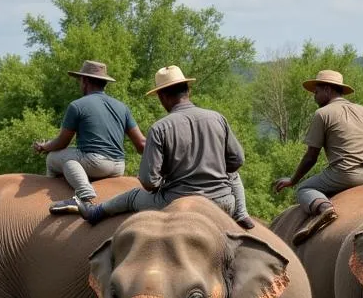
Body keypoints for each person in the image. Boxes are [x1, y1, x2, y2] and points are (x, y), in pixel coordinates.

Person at [50, 64, 256, 228]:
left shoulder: (161, 127)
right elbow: (237, 160)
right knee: (234, 176)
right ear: (188, 89)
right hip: (223, 201)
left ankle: (93, 212)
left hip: (178, 202)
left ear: (162, 96)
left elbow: (148, 182)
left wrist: (165, 180)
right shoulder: (217, 118)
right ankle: (240, 214)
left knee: (132, 196)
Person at [273, 69, 363, 244]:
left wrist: (293, 180)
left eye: (316, 92)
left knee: (304, 189)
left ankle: (324, 209)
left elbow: (311, 157)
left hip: (344, 174)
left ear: (328, 90)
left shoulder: (323, 114)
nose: (314, 97)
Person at [37, 60, 145, 215]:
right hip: (118, 166)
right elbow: (141, 142)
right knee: (70, 156)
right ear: (104, 83)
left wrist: (45, 147)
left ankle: (84, 194)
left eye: (80, 80)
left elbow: (62, 142)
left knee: (54, 158)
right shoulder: (122, 107)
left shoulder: (77, 105)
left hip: (96, 163)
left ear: (85, 81)